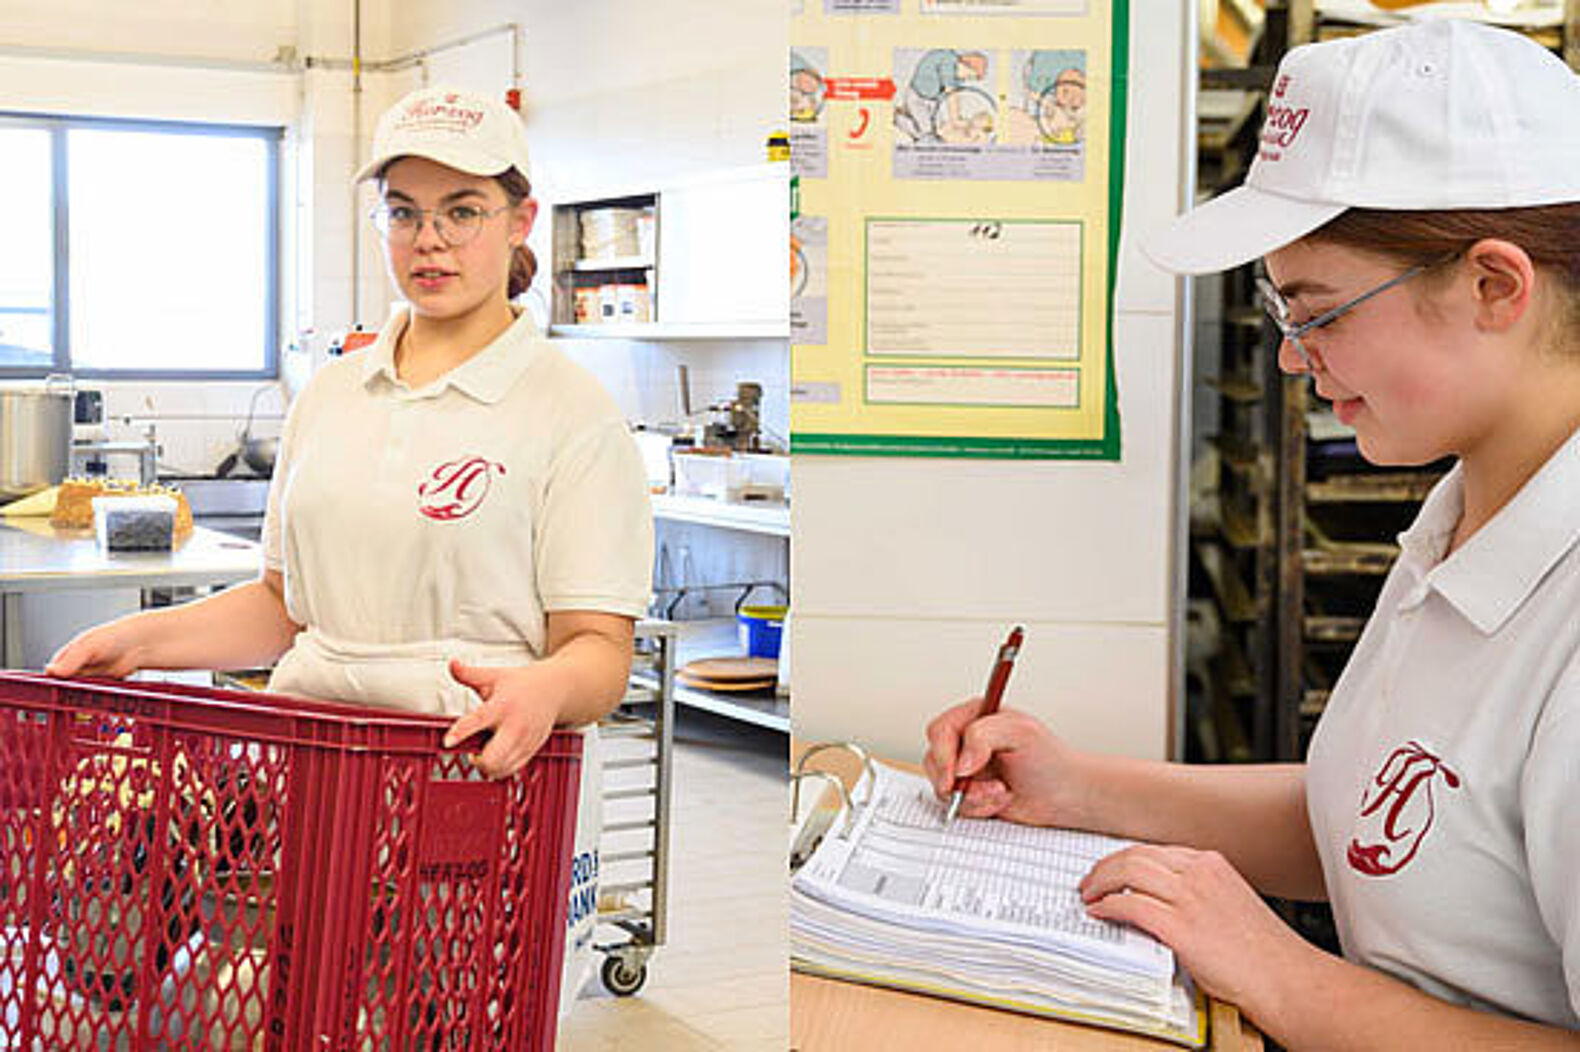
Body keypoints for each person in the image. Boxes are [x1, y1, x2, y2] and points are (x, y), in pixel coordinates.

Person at [925, 20, 1580, 1048]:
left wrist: (1283, 973)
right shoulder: (1464, 511)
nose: (1288, 356)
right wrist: (1078, 785)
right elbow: (1381, 829)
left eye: (1315, 311)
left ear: (1493, 285)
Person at [47, 83, 653, 780]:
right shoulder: (333, 393)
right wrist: (134, 643)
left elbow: (599, 649)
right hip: (315, 765)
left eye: (463, 212)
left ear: (520, 221)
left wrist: (548, 688)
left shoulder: (570, 411)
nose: (430, 241)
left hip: (476, 775)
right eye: (404, 213)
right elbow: (283, 608)